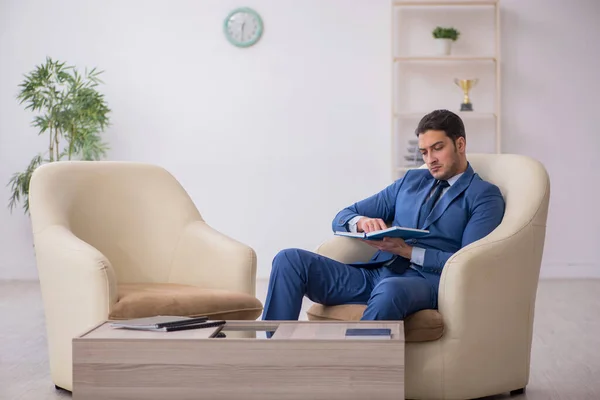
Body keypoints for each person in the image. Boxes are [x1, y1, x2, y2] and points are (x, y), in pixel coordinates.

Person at [261, 109, 505, 322]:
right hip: (376, 273)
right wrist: (361, 222)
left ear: (460, 144)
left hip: (426, 282)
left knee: (389, 289)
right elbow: (343, 216)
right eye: (424, 152)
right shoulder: (410, 182)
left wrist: (407, 251)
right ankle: (272, 362)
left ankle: (358, 374)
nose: (430, 160)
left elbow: (468, 264)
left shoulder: (484, 195)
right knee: (289, 260)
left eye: (437, 148)